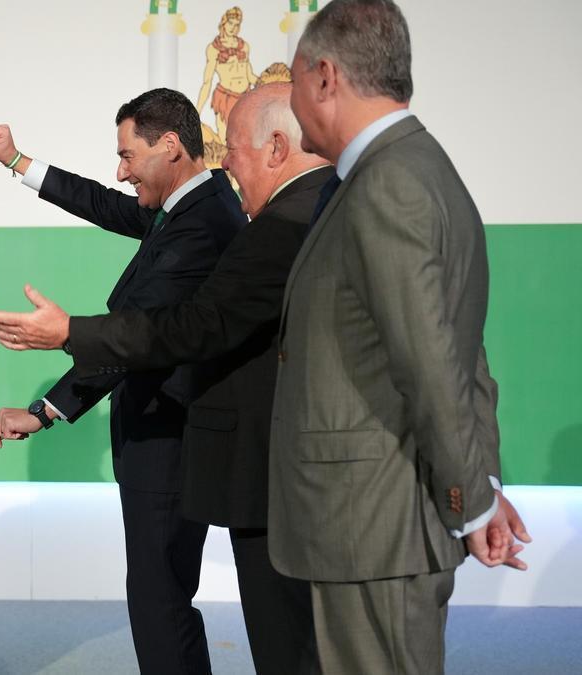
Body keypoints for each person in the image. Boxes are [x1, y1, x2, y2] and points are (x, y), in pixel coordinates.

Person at [0, 83, 328, 674]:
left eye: (126, 157)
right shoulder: (196, 202)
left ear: (168, 146)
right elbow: (106, 204)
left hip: (168, 439)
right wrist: (19, 162)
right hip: (172, 437)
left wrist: (46, 406)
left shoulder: (205, 224)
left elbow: (145, 333)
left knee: (160, 601)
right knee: (164, 598)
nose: (119, 173)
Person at [278, 1, 528, 671]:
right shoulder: (421, 169)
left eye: (293, 78)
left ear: (325, 77)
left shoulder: (387, 183)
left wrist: (472, 502)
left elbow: (431, 362)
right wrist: (480, 479)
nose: (290, 98)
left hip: (373, 527)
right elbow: (460, 349)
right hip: (384, 522)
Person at [195, 6, 258, 143]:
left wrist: (272, 86)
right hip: (226, 97)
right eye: (230, 23)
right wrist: (196, 112)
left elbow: (250, 75)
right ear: (223, 22)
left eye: (237, 25)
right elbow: (207, 81)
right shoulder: (213, 48)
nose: (233, 28)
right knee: (226, 141)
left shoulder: (244, 46)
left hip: (245, 98)